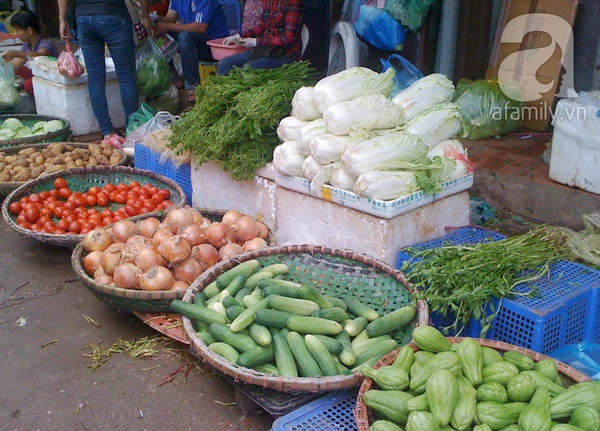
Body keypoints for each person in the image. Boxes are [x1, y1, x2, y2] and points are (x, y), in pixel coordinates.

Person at [58, 0, 151, 142]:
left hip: (84, 18)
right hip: (114, 15)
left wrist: (62, 19)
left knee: (95, 79)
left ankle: (107, 133)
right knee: (127, 78)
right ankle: (131, 132)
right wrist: (145, 17)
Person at [151, 0, 230, 102]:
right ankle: (173, 77)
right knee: (158, 33)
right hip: (191, 42)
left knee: (185, 36)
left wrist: (168, 26)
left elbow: (201, 27)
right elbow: (170, 18)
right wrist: (155, 19)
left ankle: (192, 85)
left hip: (212, 46)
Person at [216, 0, 303, 76]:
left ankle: (246, 94)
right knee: (224, 63)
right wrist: (239, 36)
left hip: (285, 54)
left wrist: (255, 42)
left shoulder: (292, 2)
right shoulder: (268, 1)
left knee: (249, 67)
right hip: (264, 50)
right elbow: (263, 26)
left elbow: (288, 39)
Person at [1, 10, 60, 96]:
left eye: (17, 30)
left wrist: (15, 53)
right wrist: (3, 62)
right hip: (39, 76)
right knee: (16, 72)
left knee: (29, 85)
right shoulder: (27, 44)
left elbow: (41, 57)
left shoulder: (46, 44)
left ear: (29, 30)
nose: (16, 33)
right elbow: (16, 64)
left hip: (52, 79)